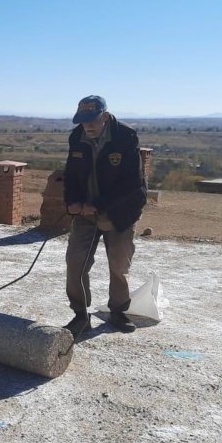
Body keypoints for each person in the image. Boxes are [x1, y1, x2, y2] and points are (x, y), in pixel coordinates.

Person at [63, 95, 147, 337]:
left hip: (120, 212)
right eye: (83, 120)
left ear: (106, 116)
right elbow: (71, 174)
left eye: (92, 120)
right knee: (75, 263)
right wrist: (71, 202)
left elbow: (131, 184)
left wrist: (98, 204)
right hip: (85, 213)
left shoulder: (125, 137)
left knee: (119, 266)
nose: (87, 125)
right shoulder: (76, 137)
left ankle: (118, 311)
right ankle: (81, 315)